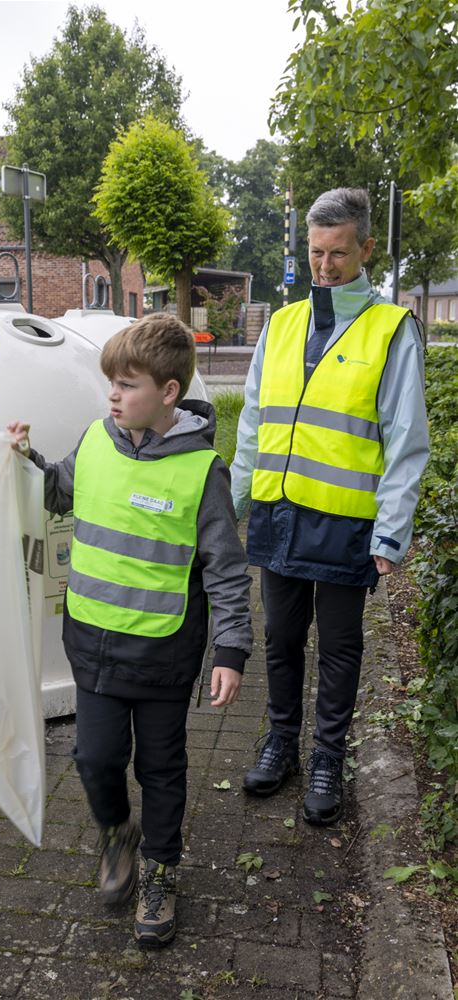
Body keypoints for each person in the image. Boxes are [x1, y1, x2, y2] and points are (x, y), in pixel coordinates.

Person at [8, 313, 252, 947]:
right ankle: (117, 832)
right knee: (95, 759)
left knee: (162, 768)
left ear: (169, 392)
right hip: (92, 644)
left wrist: (230, 649)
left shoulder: (203, 470)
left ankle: (160, 871)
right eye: (110, 384)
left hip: (164, 654)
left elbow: (226, 569)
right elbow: (58, 491)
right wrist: (25, 461)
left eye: (126, 385)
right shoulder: (95, 439)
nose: (112, 396)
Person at [231, 187, 429, 826]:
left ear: (366, 249)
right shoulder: (282, 324)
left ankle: (327, 758)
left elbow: (406, 440)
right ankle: (281, 743)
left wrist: (391, 534)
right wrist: (230, 503)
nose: (325, 266)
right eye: (316, 252)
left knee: (340, 649)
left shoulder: (391, 329)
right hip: (279, 511)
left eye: (338, 253)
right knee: (281, 638)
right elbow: (253, 422)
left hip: (347, 521)